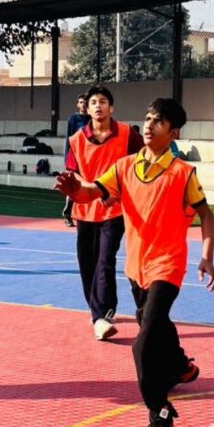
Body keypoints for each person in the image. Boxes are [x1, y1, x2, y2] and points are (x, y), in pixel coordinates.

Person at [56, 97, 214, 427]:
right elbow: (92, 192)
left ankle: (160, 413)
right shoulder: (125, 166)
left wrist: (207, 257)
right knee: (153, 323)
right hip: (136, 267)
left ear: (173, 133)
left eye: (158, 121)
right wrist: (76, 191)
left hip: (168, 266)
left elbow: (206, 214)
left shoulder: (182, 173)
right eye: (147, 117)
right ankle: (180, 366)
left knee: (144, 343)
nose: (148, 124)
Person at [64, 85, 143, 340]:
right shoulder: (76, 139)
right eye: (93, 102)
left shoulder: (127, 134)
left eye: (103, 101)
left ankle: (102, 315)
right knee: (87, 262)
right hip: (85, 208)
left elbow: (141, 163)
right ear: (86, 109)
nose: (98, 105)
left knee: (105, 259)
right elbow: (73, 173)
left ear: (112, 108)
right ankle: (96, 309)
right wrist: (94, 190)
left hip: (115, 209)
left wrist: (119, 190)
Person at [62, 94, 90, 226]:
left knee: (87, 186)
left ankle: (85, 215)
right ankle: (67, 213)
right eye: (81, 102)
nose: (83, 105)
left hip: (88, 158)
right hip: (75, 158)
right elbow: (69, 139)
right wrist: (67, 158)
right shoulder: (73, 119)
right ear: (77, 104)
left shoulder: (91, 119)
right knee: (74, 186)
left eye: (85, 102)